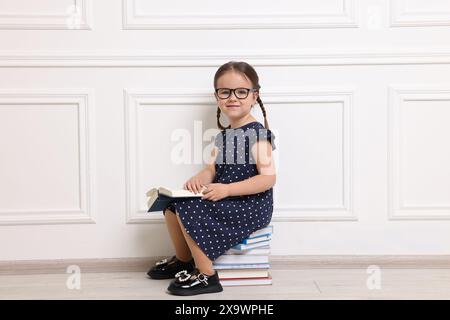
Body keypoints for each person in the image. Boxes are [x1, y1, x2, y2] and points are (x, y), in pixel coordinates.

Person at [147, 61, 277, 296]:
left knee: (190, 209)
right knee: (172, 207)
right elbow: (211, 170)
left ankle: (206, 275)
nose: (232, 98)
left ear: (254, 96)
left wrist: (227, 190)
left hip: (250, 203)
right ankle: (184, 260)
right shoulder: (224, 136)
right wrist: (200, 177)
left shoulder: (257, 134)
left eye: (241, 92)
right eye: (225, 92)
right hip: (227, 197)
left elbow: (267, 179)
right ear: (217, 96)